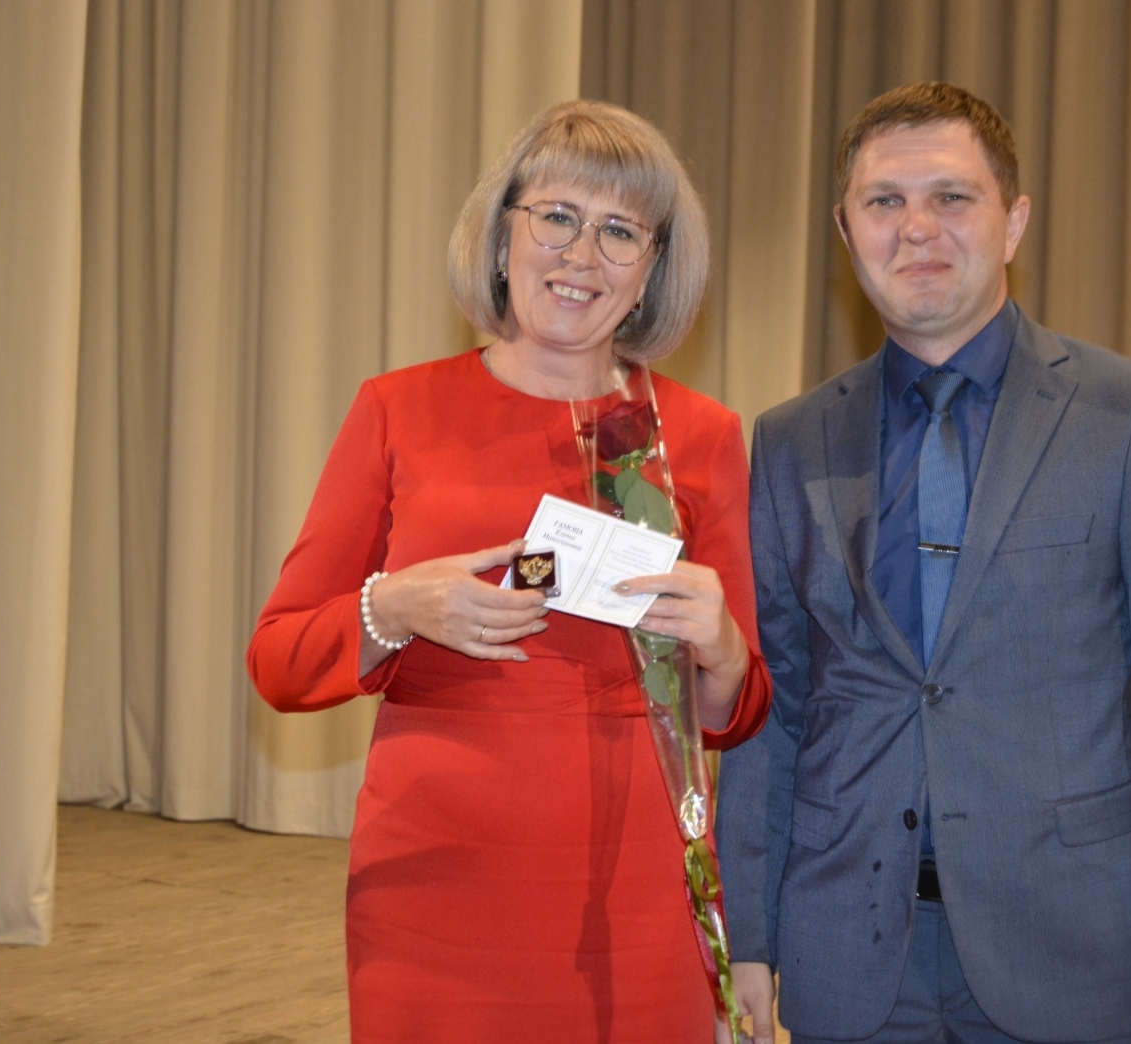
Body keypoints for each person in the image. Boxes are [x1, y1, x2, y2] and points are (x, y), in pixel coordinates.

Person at [715, 83, 1131, 1044]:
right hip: (849, 953)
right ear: (846, 231)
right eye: (884, 201)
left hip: (1068, 949)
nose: (916, 227)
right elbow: (776, 708)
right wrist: (745, 936)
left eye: (951, 197)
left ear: (1013, 222)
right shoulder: (792, 440)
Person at [248, 100, 772, 1043]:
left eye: (620, 232)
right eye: (557, 217)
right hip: (433, 904)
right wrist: (392, 607)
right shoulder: (396, 410)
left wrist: (725, 649)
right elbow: (279, 662)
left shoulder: (700, 437)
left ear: (652, 271)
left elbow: (734, 712)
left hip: (638, 908)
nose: (582, 256)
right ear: (501, 238)